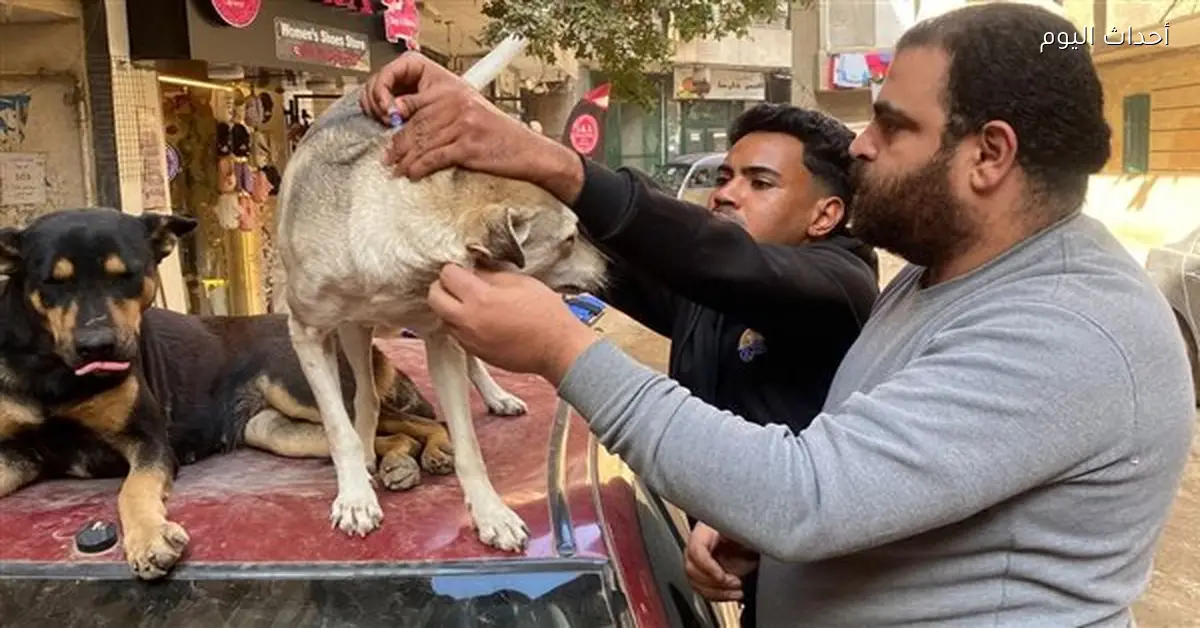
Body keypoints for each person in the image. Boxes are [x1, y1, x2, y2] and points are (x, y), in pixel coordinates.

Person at [370, 4, 1196, 625]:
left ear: (990, 155)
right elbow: (877, 479)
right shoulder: (941, 280)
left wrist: (564, 351)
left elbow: (806, 493)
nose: (861, 144)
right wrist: (755, 535)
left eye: (891, 124)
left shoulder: (1068, 328)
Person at [365, 86, 879, 624]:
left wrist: (558, 166)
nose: (727, 194)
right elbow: (611, 251)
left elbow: (724, 262)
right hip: (759, 577)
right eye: (724, 177)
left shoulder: (840, 288)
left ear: (824, 216)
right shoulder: (705, 296)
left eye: (760, 182)